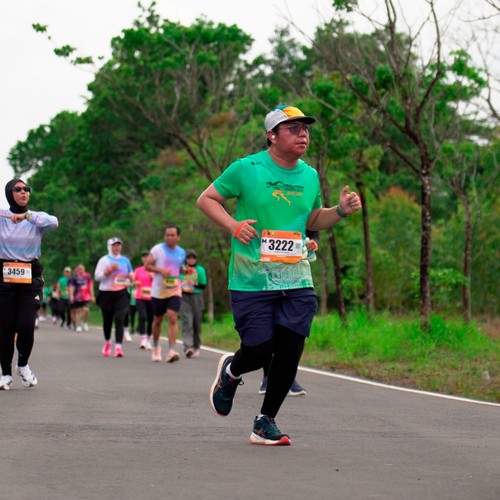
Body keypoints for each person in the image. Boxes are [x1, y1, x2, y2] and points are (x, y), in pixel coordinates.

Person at [197, 104, 361, 445]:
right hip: (252, 279)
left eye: (306, 129)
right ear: (272, 135)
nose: (303, 134)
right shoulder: (247, 168)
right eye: (293, 128)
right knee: (259, 350)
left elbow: (312, 219)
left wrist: (340, 211)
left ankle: (265, 421)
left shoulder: (309, 176)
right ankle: (232, 371)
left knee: (289, 351)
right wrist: (233, 225)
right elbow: (207, 199)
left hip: (297, 278)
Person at [0, 178, 58, 390]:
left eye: (27, 189)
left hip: (29, 276)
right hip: (4, 277)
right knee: (5, 327)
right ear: (10, 193)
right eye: (18, 189)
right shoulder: (2, 217)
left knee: (25, 325)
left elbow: (54, 222)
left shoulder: (35, 219)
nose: (24, 192)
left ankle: (22, 365)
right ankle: (5, 373)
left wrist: (26, 216)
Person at [258, 229, 319, 397]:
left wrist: (314, 242)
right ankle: (268, 376)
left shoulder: (302, 211)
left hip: (296, 276)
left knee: (295, 331)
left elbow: (314, 228)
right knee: (269, 330)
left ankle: (288, 377)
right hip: (265, 273)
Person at [145, 225, 185, 363]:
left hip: (175, 289)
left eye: (172, 235)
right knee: (158, 320)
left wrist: (184, 271)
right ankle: (156, 347)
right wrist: (160, 270)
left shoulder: (181, 252)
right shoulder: (157, 249)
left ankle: (171, 350)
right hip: (158, 291)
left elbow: (179, 268)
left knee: (172, 318)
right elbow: (147, 266)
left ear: (178, 237)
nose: (169, 237)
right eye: (167, 235)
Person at [94, 237, 134, 358]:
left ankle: (118, 347)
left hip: (121, 293)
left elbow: (131, 273)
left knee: (120, 318)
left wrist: (131, 277)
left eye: (118, 245)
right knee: (107, 320)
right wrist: (109, 271)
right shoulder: (104, 260)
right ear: (109, 247)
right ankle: (107, 342)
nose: (117, 248)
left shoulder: (125, 260)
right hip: (106, 293)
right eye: (114, 245)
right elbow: (97, 277)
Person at [180, 249, 207, 358]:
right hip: (184, 297)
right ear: (185, 259)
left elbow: (203, 285)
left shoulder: (200, 270)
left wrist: (193, 284)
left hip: (197, 296)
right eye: (189, 257)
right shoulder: (181, 269)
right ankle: (188, 347)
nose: (191, 259)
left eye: (193, 257)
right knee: (187, 322)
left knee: (196, 323)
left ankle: (196, 346)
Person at [134, 251, 154, 350]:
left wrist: (152, 276)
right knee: (142, 316)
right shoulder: (138, 270)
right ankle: (143, 338)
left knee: (151, 319)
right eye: (144, 257)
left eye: (148, 257)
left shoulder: (155, 269)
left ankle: (149, 339)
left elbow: (160, 282)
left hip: (152, 297)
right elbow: (133, 280)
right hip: (140, 296)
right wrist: (135, 282)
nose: (146, 259)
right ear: (142, 259)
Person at [68, 263, 95, 333]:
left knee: (86, 310)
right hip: (77, 297)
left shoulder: (87, 276)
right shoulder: (74, 277)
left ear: (84, 269)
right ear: (77, 270)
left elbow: (90, 285)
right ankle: (78, 326)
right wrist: (71, 295)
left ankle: (84, 322)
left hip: (86, 296)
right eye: (79, 269)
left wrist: (92, 295)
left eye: (82, 269)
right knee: (78, 311)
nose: (81, 270)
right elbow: (71, 287)